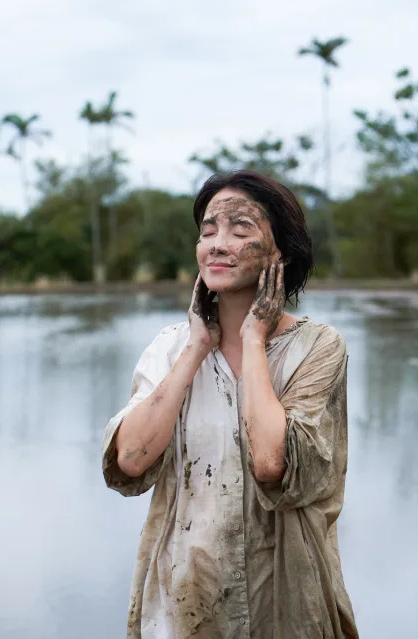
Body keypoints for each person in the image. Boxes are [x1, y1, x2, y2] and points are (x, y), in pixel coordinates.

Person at [102, 170, 358, 638]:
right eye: (207, 231)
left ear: (280, 251)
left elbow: (270, 463)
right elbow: (132, 459)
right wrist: (196, 349)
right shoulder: (169, 348)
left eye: (241, 230)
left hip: (284, 596)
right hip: (185, 594)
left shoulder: (318, 348)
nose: (218, 244)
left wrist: (254, 338)